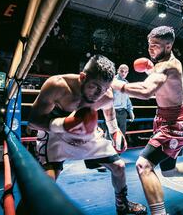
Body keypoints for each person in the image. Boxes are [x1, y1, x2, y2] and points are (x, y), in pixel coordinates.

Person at [27, 55, 146, 215]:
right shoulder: (58, 86)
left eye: (104, 88)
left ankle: (122, 205)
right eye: (95, 87)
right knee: (46, 183)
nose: (99, 93)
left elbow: (109, 114)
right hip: (54, 134)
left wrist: (115, 131)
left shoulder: (106, 94)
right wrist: (64, 125)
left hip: (87, 132)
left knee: (119, 167)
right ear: (83, 77)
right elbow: (33, 121)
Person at [112, 26, 183, 215]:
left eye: (155, 46)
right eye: (149, 45)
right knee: (168, 170)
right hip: (163, 119)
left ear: (168, 46)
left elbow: (146, 91)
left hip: (175, 124)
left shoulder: (169, 65)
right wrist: (150, 71)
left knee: (143, 165)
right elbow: (162, 86)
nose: (150, 50)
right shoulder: (161, 65)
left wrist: (113, 83)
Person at [112, 64, 135, 147]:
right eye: (122, 71)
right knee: (111, 133)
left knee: (122, 133)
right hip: (112, 111)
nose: (123, 73)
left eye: (125, 72)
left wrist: (130, 111)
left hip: (123, 112)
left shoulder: (126, 83)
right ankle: (110, 154)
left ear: (127, 73)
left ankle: (118, 153)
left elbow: (127, 98)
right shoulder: (112, 81)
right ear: (118, 70)